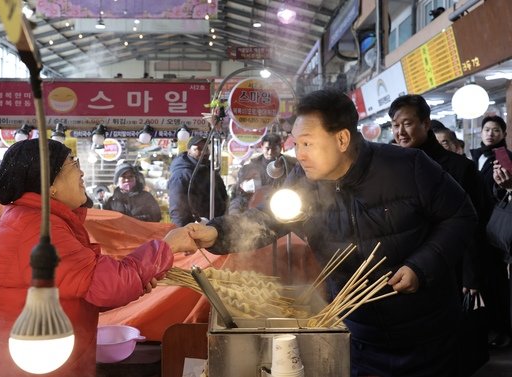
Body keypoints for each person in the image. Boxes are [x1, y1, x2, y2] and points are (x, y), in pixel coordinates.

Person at [201, 88, 477, 376]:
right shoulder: (304, 182)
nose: (300, 154)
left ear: (342, 139)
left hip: (427, 334)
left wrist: (420, 267)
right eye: (297, 144)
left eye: (307, 143)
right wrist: (213, 234)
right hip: (355, 333)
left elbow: (461, 216)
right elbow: (267, 220)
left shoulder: (408, 167)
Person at [0, 139, 213, 377]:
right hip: (16, 366)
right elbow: (108, 286)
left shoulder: (33, 220)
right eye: (72, 164)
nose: (81, 173)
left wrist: (139, 276)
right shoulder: (38, 229)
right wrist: (167, 246)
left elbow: (86, 287)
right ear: (50, 185)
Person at [388, 94, 489, 375]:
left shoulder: (459, 168)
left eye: (408, 123)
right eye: (395, 125)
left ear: (426, 123)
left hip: (448, 269)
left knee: (445, 349)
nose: (400, 132)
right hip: (404, 268)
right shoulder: (389, 165)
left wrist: (471, 276)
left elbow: (472, 225)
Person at [470, 115, 512, 348]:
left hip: (495, 228)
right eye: (487, 129)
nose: (490, 134)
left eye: (496, 130)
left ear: (504, 134)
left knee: (496, 282)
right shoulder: (474, 157)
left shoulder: (504, 158)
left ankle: (501, 329)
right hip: (476, 227)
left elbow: (503, 194)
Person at [229, 133, 298, 214]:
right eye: (267, 148)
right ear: (261, 146)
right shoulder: (248, 169)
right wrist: (235, 213)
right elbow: (239, 196)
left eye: (274, 148)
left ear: (281, 147)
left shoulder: (291, 166)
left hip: (285, 211)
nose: (270, 152)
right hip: (254, 213)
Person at [168, 135, 228, 226]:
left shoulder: (211, 171)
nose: (204, 152)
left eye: (206, 148)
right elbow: (178, 209)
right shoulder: (181, 175)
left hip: (215, 227)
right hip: (195, 229)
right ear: (189, 151)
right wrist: (181, 231)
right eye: (198, 149)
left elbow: (223, 197)